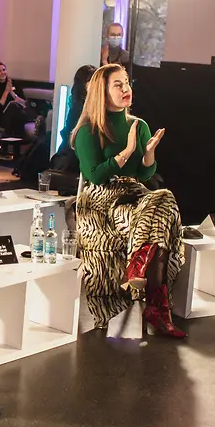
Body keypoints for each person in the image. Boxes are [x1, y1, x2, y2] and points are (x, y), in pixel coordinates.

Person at [72, 63, 186, 338]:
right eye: (118, 84)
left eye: (127, 83)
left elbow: (145, 173)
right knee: (160, 215)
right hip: (102, 199)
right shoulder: (90, 129)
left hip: (134, 195)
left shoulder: (139, 125)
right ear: (102, 91)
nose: (126, 89)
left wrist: (147, 154)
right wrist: (126, 153)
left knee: (163, 198)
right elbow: (95, 175)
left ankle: (137, 266)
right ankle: (158, 309)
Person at [50, 64, 96, 177]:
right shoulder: (79, 105)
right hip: (76, 148)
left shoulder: (94, 102)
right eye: (91, 80)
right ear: (83, 84)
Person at [0, 61, 33, 137]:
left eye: (4, 70)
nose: (2, 72)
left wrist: (12, 93)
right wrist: (6, 91)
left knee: (20, 108)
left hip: (16, 115)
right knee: (13, 107)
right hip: (0, 117)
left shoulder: (13, 84)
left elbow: (24, 102)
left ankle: (19, 139)